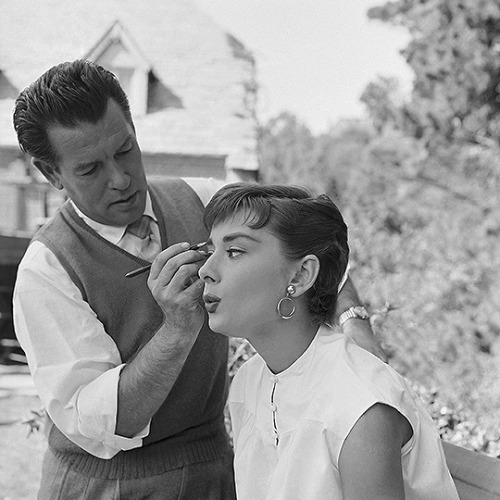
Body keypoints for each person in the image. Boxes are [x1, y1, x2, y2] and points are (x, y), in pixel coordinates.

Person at [11, 60, 382, 499]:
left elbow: (312, 246)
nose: (121, 178)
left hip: (213, 470)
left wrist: (357, 332)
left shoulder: (205, 201)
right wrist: (177, 328)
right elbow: (111, 423)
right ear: (51, 173)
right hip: (108, 486)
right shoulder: (46, 273)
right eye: (91, 169)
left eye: (125, 149)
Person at [198, 183, 459, 500]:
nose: (206, 271)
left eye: (234, 252)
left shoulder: (361, 408)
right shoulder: (249, 381)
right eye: (210, 251)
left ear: (299, 276)